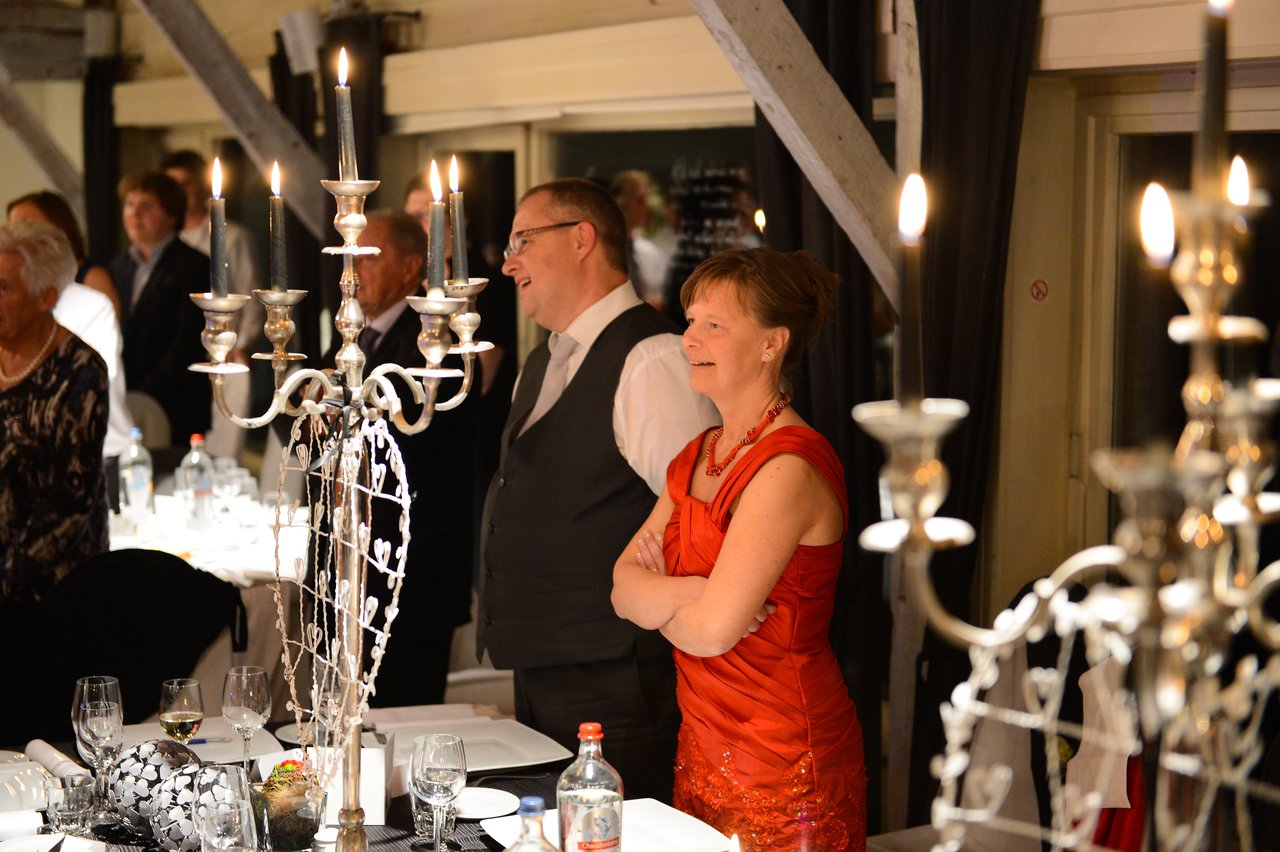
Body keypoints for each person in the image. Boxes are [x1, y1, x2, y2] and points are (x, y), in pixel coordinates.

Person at [610, 248, 866, 850]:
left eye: (714, 325)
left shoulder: (788, 466)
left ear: (772, 343)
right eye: (691, 321)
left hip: (781, 751)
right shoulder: (698, 453)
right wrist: (692, 594)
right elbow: (620, 588)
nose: (689, 338)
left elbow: (712, 633)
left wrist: (671, 603)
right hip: (701, 735)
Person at [478, 178, 719, 802]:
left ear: (582, 238)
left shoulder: (653, 359)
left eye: (522, 241)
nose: (508, 263)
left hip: (619, 676)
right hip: (547, 664)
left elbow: (701, 523)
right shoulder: (541, 362)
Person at [316, 211, 474, 707]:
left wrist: (335, 417)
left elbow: (410, 441)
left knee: (404, 724)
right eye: (352, 256)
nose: (354, 269)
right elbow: (308, 419)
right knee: (336, 717)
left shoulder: (436, 342)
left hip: (410, 570)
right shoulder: (351, 336)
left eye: (369, 256)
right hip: (343, 563)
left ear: (411, 268)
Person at [0, 220, 109, 618]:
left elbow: (68, 507)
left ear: (45, 297)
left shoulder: (80, 372)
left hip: (52, 599)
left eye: (3, 288)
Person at [7, 192, 134, 458]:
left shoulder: (90, 305)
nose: (19, 236)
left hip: (95, 456)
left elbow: (86, 391)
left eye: (28, 225)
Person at [107, 172, 212, 446]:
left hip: (175, 405)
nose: (134, 214)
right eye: (129, 205)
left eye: (147, 206)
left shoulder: (194, 265)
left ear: (172, 215)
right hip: (124, 403)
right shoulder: (117, 267)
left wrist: (144, 395)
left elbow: (187, 341)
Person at [161, 150, 265, 356]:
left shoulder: (233, 236)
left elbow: (251, 294)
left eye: (186, 184)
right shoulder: (164, 241)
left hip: (224, 351)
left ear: (201, 186)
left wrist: (243, 346)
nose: (178, 193)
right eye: (172, 186)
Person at [6, 191, 121, 319]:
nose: (17, 233)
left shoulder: (92, 277)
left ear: (58, 225)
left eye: (27, 224)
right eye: (12, 226)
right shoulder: (24, 278)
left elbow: (104, 332)